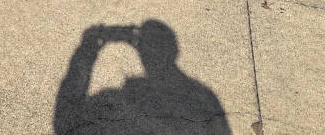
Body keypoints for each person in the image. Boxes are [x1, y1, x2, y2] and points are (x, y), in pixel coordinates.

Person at [53, 20, 231, 135]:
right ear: (174, 50)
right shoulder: (203, 96)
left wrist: (88, 46)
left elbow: (64, 117)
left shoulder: (117, 100)